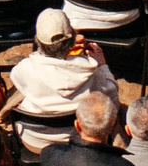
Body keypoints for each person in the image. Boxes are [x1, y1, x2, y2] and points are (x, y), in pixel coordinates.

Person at [9, 11, 118, 152]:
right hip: (78, 142)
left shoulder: (23, 69)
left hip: (34, 141)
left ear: (38, 41)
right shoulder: (91, 71)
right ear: (71, 40)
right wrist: (102, 65)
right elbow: (111, 95)